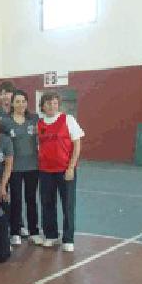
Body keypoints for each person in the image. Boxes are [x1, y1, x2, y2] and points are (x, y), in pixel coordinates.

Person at [34, 92, 84, 252]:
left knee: (68, 205)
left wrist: (71, 167)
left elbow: (77, 145)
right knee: (47, 204)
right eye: (48, 103)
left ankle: (68, 239)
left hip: (65, 170)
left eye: (55, 103)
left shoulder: (68, 120)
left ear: (58, 105)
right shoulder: (39, 123)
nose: (52, 106)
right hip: (45, 171)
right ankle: (51, 235)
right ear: (42, 106)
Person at [5, 90, 40, 245]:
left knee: (31, 199)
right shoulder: (5, 121)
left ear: (27, 103)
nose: (21, 104)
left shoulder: (34, 120)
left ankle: (34, 231)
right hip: (14, 167)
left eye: (23, 101)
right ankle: (15, 231)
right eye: (17, 101)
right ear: (12, 103)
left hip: (33, 166)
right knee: (16, 200)